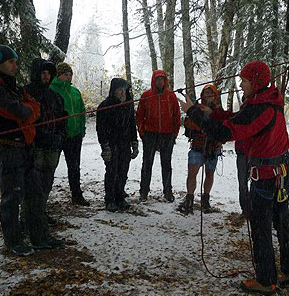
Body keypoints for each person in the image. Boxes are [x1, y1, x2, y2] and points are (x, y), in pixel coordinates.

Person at [178, 61, 289, 295]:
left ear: (255, 82)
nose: (241, 85)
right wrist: (211, 113)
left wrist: (193, 112)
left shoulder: (260, 107)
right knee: (281, 220)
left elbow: (226, 132)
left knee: (261, 226)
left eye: (244, 81)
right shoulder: (266, 99)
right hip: (281, 173)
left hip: (268, 176)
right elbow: (238, 118)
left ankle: (266, 280)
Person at [0, 45, 40, 256]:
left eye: (15, 61)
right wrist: (28, 110)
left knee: (34, 193)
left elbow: (34, 107)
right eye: (11, 62)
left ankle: (37, 236)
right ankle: (13, 241)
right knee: (12, 198)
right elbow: (21, 112)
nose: (15, 65)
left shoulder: (13, 86)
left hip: (25, 147)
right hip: (7, 149)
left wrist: (28, 110)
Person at [19, 59, 66, 249]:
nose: (46, 76)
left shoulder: (55, 96)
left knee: (46, 182)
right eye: (43, 73)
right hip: (35, 146)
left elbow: (61, 117)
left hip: (53, 146)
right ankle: (26, 220)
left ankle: (40, 213)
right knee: (32, 185)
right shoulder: (26, 94)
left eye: (48, 73)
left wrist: (60, 131)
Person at [177, 84, 231, 214]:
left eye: (211, 93)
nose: (208, 95)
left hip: (213, 148)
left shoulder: (219, 111)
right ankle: (189, 199)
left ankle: (205, 200)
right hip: (197, 145)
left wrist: (219, 140)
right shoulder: (196, 108)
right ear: (202, 95)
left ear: (215, 96)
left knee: (210, 173)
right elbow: (188, 125)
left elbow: (224, 128)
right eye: (206, 93)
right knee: (192, 172)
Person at [136, 70, 180, 202]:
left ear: (165, 80)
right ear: (153, 80)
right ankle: (144, 191)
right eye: (157, 79)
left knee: (166, 164)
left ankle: (167, 191)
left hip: (167, 134)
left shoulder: (171, 95)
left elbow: (176, 116)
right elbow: (139, 116)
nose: (160, 81)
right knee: (147, 163)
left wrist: (174, 133)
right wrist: (142, 132)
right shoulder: (146, 95)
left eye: (162, 79)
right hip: (150, 134)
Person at [49, 62, 90, 206]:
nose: (69, 77)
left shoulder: (75, 92)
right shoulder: (51, 90)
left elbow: (81, 111)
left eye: (70, 74)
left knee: (74, 166)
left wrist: (81, 129)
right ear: (58, 75)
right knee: (50, 166)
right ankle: (43, 197)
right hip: (58, 135)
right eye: (66, 74)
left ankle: (77, 195)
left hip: (75, 136)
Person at [96, 78, 139, 212]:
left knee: (123, 171)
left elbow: (132, 124)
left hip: (125, 143)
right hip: (111, 144)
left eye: (124, 90)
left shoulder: (128, 104)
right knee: (112, 172)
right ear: (113, 91)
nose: (122, 93)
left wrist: (134, 142)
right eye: (119, 90)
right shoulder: (104, 106)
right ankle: (110, 199)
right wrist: (105, 147)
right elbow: (100, 129)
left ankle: (120, 197)